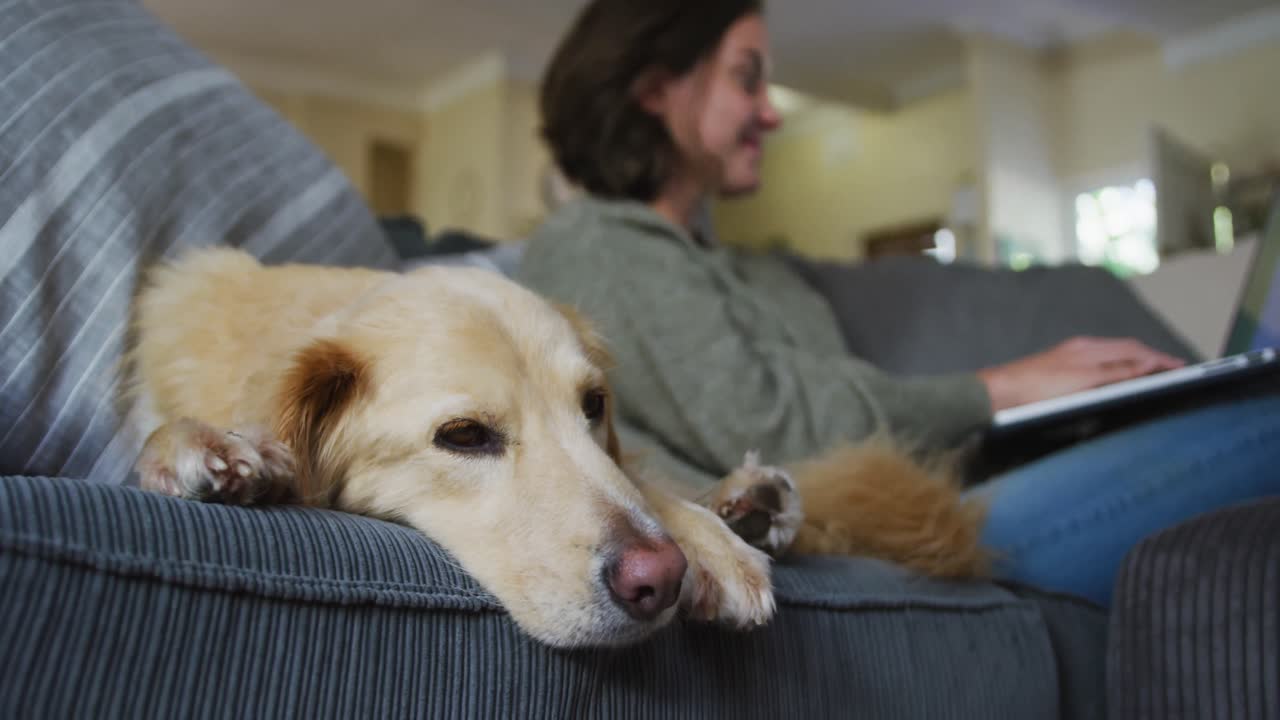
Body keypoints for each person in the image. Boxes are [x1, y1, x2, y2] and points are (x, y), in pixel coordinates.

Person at [516, 0, 1280, 606]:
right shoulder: (597, 244)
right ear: (656, 89)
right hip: (874, 536)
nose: (772, 111)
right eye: (747, 77)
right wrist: (1003, 387)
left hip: (922, 501)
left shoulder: (731, 266)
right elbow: (772, 426)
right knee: (1263, 416)